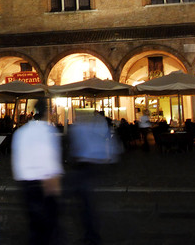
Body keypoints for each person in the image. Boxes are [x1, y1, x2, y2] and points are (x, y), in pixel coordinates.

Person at [11, 98, 63, 245]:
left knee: (35, 228)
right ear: (47, 113)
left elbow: (17, 163)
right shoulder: (48, 131)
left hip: (26, 186)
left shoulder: (20, 133)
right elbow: (52, 162)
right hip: (45, 186)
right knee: (50, 231)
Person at [68, 111, 118, 245]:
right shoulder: (90, 127)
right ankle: (90, 233)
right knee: (86, 203)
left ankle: (92, 234)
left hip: (86, 166)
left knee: (86, 204)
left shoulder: (82, 128)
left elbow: (76, 148)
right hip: (90, 165)